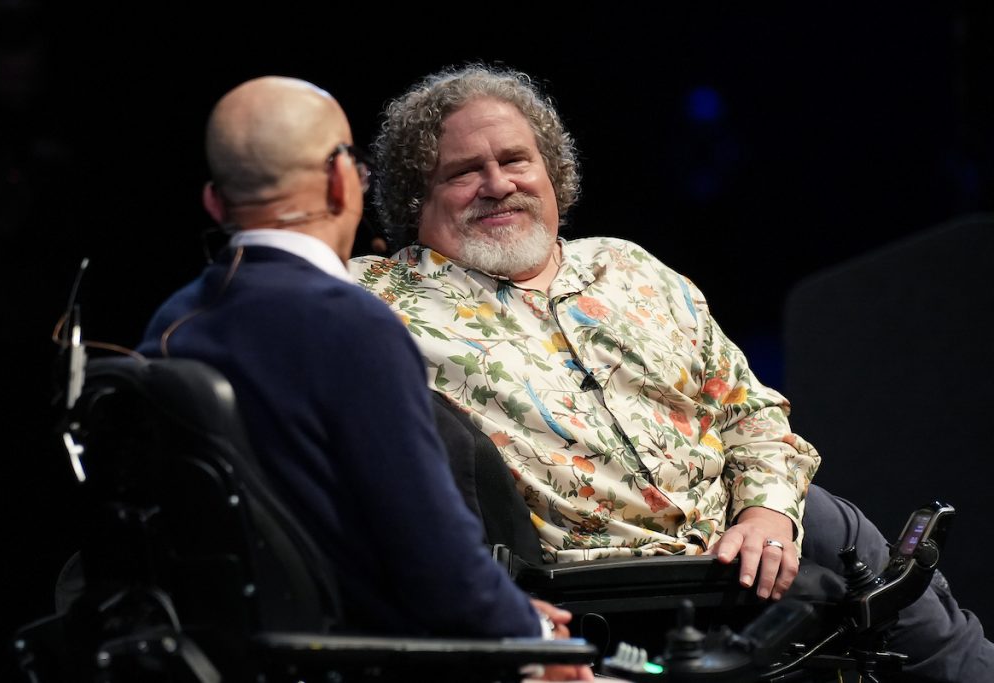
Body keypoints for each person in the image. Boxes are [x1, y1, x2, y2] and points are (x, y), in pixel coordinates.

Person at [348, 63, 993, 681]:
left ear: (551, 173)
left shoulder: (629, 267)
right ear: (415, 196)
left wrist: (767, 511)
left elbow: (751, 409)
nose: (498, 184)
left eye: (516, 160)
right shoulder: (379, 300)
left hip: (761, 533)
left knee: (930, 623)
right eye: (465, 171)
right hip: (615, 578)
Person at [134, 76, 592, 680]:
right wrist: (533, 636)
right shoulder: (354, 324)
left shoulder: (171, 324)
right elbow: (431, 554)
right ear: (339, 179)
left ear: (216, 203)